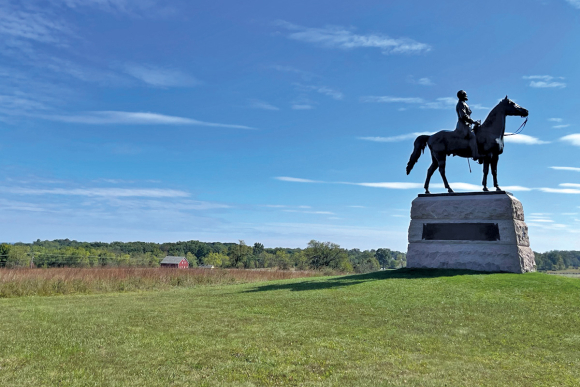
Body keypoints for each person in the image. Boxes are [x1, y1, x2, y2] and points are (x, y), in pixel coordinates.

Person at [455, 90, 482, 162]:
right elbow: (463, 116)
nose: (466, 96)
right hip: (463, 125)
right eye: (465, 94)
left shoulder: (464, 103)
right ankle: (475, 154)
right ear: (462, 95)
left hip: (467, 125)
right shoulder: (460, 104)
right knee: (472, 136)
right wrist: (473, 122)